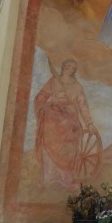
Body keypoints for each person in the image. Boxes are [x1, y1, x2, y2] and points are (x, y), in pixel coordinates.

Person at [34, 59, 96, 187]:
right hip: (52, 115)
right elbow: (41, 96)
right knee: (49, 132)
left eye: (72, 67)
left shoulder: (77, 86)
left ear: (74, 71)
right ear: (63, 67)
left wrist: (89, 123)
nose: (69, 68)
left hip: (70, 117)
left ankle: (66, 180)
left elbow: (82, 105)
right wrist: (43, 105)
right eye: (67, 65)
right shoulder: (54, 80)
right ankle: (51, 179)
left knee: (72, 136)